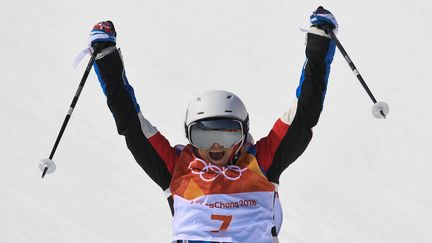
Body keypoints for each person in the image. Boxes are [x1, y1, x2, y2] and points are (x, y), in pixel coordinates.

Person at [89, 6, 337, 243]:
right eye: (203, 136)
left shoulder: (262, 162)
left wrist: (319, 44)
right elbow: (132, 125)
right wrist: (106, 58)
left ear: (243, 135)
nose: (216, 145)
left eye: (228, 134)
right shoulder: (177, 168)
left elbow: (303, 114)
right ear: (189, 137)